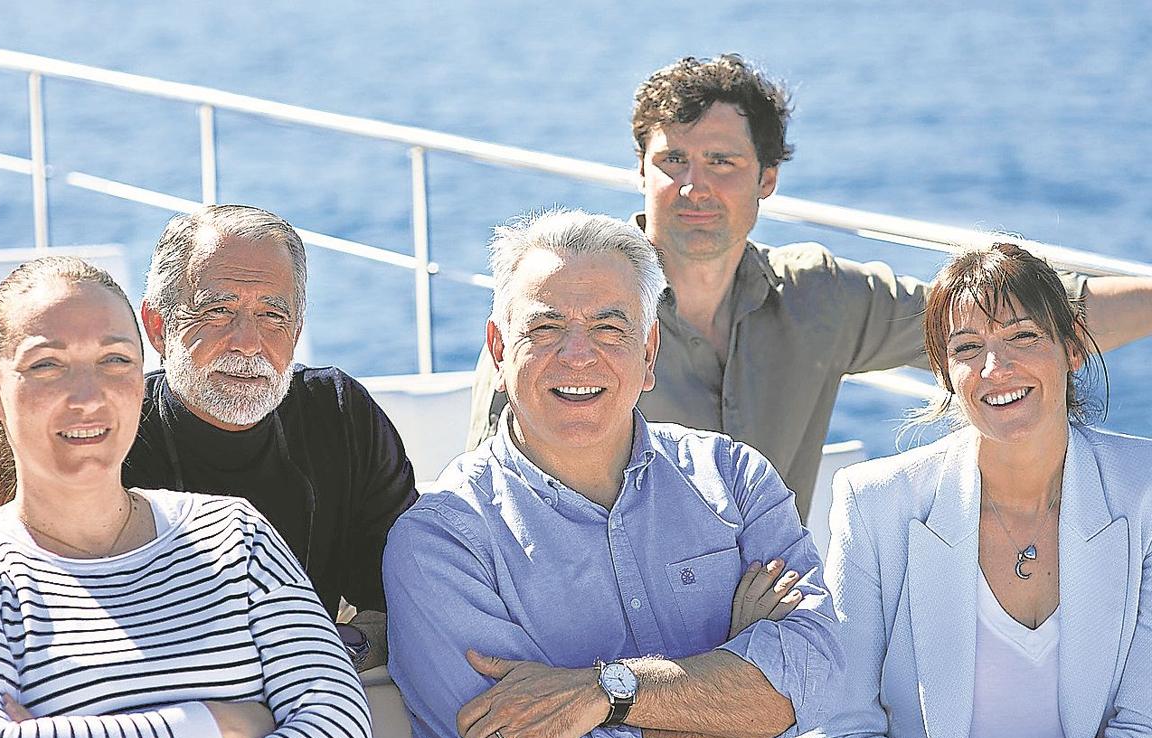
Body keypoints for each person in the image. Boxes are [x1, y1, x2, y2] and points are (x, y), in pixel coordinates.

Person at [466, 54, 1152, 520]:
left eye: (722, 162)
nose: (693, 186)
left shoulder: (817, 297)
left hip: (770, 624)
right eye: (671, 160)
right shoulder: (561, 315)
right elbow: (489, 495)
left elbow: (1027, 315)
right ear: (640, 171)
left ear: (767, 179)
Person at [385, 209, 842, 738]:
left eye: (608, 328)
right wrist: (747, 701)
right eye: (546, 328)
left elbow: (822, 679)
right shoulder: (443, 541)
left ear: (649, 352)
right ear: (498, 350)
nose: (578, 357)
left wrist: (609, 693)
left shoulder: (733, 478)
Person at [0, 256, 372, 738]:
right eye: (47, 365)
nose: (87, 396)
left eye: (114, 361)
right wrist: (223, 725)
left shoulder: (235, 534)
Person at [805, 243, 1152, 738]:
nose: (996, 368)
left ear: (1071, 346)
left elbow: (1144, 728)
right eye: (968, 349)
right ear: (945, 373)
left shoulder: (1143, 491)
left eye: (1021, 336)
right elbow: (839, 734)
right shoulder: (875, 503)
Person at [124, 204, 417, 671]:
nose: (248, 342)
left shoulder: (340, 414)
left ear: (297, 331)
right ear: (159, 328)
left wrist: (339, 651)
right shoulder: (110, 435)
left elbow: (407, 602)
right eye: (218, 312)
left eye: (272, 316)